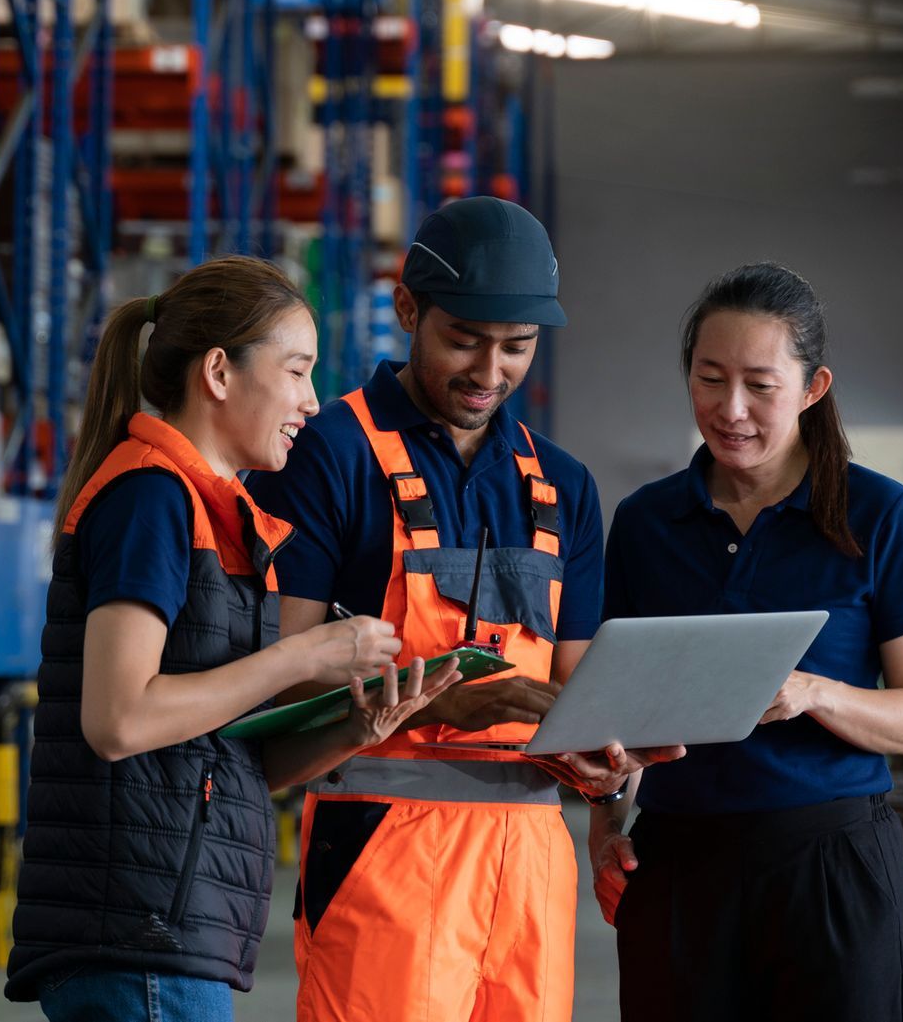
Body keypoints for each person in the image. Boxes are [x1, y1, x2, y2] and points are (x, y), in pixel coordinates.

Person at [249, 196, 679, 1022]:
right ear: (408, 308)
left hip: (529, 865)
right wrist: (447, 698)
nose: (490, 371)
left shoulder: (565, 488)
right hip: (381, 854)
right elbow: (277, 689)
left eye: (516, 347)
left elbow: (575, 692)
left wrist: (609, 764)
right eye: (463, 339)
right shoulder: (328, 454)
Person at [4, 256, 462, 1022]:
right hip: (141, 936)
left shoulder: (220, 520)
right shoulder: (150, 497)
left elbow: (237, 762)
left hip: (177, 931)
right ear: (219, 371)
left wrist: (362, 723)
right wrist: (301, 655)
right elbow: (119, 719)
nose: (312, 402)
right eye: (296, 371)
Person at [591, 262, 903, 1022]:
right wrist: (603, 820)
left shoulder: (878, 513)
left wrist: (812, 689)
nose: (731, 409)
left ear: (814, 387)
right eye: (709, 378)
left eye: (761, 383)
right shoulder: (646, 523)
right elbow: (614, 707)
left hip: (830, 867)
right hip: (678, 866)